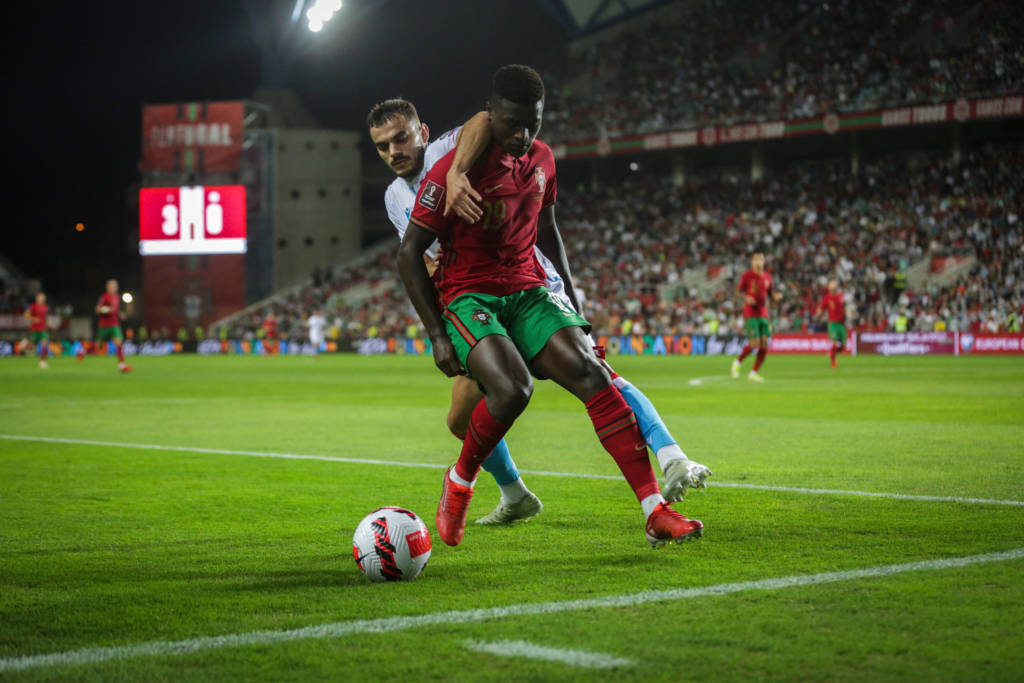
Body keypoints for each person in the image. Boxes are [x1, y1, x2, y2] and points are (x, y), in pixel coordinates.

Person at [397, 65, 704, 548]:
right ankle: (459, 482)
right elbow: (409, 253)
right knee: (512, 389)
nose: (522, 135)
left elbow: (548, 233)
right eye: (512, 123)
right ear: (491, 114)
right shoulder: (448, 173)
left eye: (532, 123)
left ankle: (655, 511)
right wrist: (436, 334)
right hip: (469, 295)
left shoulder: (542, 159)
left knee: (593, 374)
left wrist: (576, 313)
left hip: (529, 290)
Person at [369, 99, 543, 526]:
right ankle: (515, 495)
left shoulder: (446, 149)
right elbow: (423, 260)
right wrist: (441, 325)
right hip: (470, 302)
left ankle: (668, 463)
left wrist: (455, 171)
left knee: (595, 379)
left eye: (401, 138)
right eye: (383, 146)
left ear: (423, 133)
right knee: (462, 418)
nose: (394, 151)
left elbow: (485, 119)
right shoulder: (394, 196)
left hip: (519, 286)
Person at [730, 253, 780, 382]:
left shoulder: (768, 277)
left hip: (763, 313)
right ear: (752, 262)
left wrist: (775, 297)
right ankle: (737, 363)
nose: (758, 262)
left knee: (764, 344)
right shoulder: (747, 275)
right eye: (755, 259)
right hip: (750, 313)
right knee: (754, 343)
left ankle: (753, 373)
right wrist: (746, 298)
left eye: (760, 259)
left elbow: (770, 295)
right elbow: (737, 292)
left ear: (764, 262)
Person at [93, 279, 132, 373]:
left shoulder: (116, 297)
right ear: (107, 287)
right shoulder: (104, 297)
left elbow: (115, 310)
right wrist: (106, 309)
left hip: (114, 324)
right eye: (111, 285)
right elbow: (97, 309)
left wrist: (120, 314)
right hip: (104, 325)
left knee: (119, 343)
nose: (113, 287)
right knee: (97, 345)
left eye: (114, 286)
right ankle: (81, 353)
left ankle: (122, 366)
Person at [818, 279, 847, 368]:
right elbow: (822, 307)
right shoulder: (827, 297)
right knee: (834, 343)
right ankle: (833, 362)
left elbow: (843, 306)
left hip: (841, 324)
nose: (834, 285)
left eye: (834, 283)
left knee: (843, 346)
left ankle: (831, 353)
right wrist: (819, 312)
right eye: (832, 284)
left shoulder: (840, 295)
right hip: (833, 323)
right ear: (828, 287)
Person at [25, 292, 49, 369]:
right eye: (40, 297)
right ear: (37, 298)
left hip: (43, 329)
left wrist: (49, 324)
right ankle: (24, 344)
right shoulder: (33, 306)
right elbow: (26, 315)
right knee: (31, 346)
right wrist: (33, 319)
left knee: (45, 344)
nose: (42, 298)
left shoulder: (45, 307)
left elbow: (45, 318)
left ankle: (43, 362)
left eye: (43, 297)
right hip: (34, 329)